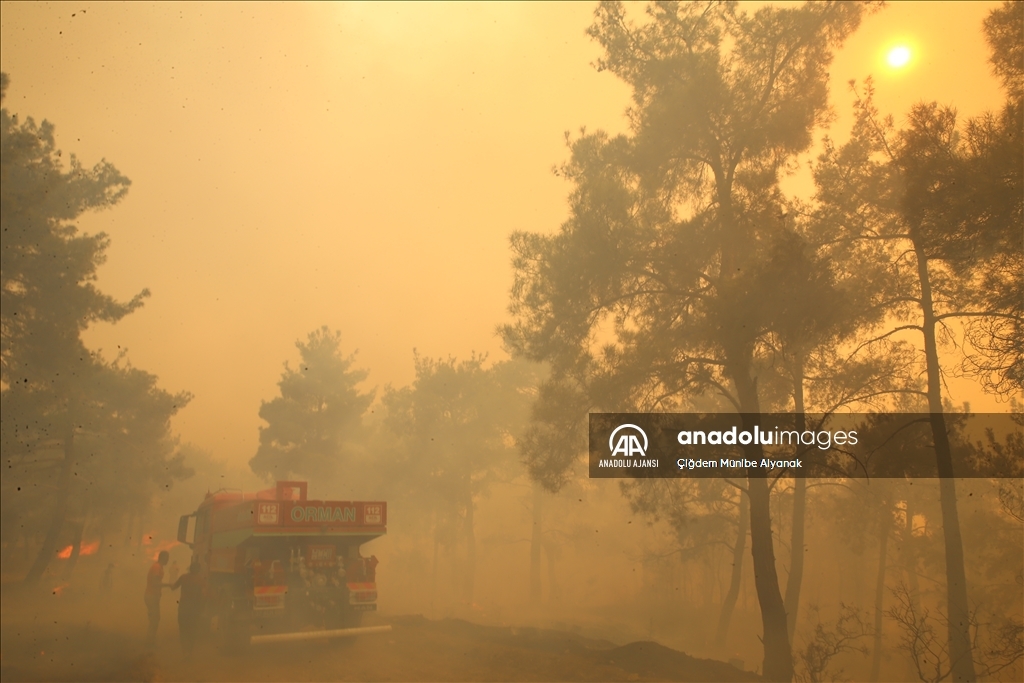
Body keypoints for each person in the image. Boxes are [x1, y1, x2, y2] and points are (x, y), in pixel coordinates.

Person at [171, 559, 206, 655]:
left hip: (183, 607)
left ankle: (184, 651)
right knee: (192, 630)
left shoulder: (183, 577)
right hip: (194, 608)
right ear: (198, 570)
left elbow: (173, 587)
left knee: (183, 629)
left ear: (190, 569)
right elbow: (203, 595)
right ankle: (190, 652)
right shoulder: (201, 580)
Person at [144, 550, 170, 648]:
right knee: (154, 619)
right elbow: (155, 583)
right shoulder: (157, 567)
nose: (168, 560)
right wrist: (169, 585)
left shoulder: (159, 567)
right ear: (163, 558)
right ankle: (149, 642)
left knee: (155, 619)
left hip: (152, 596)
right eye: (167, 558)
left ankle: (150, 639)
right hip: (151, 596)